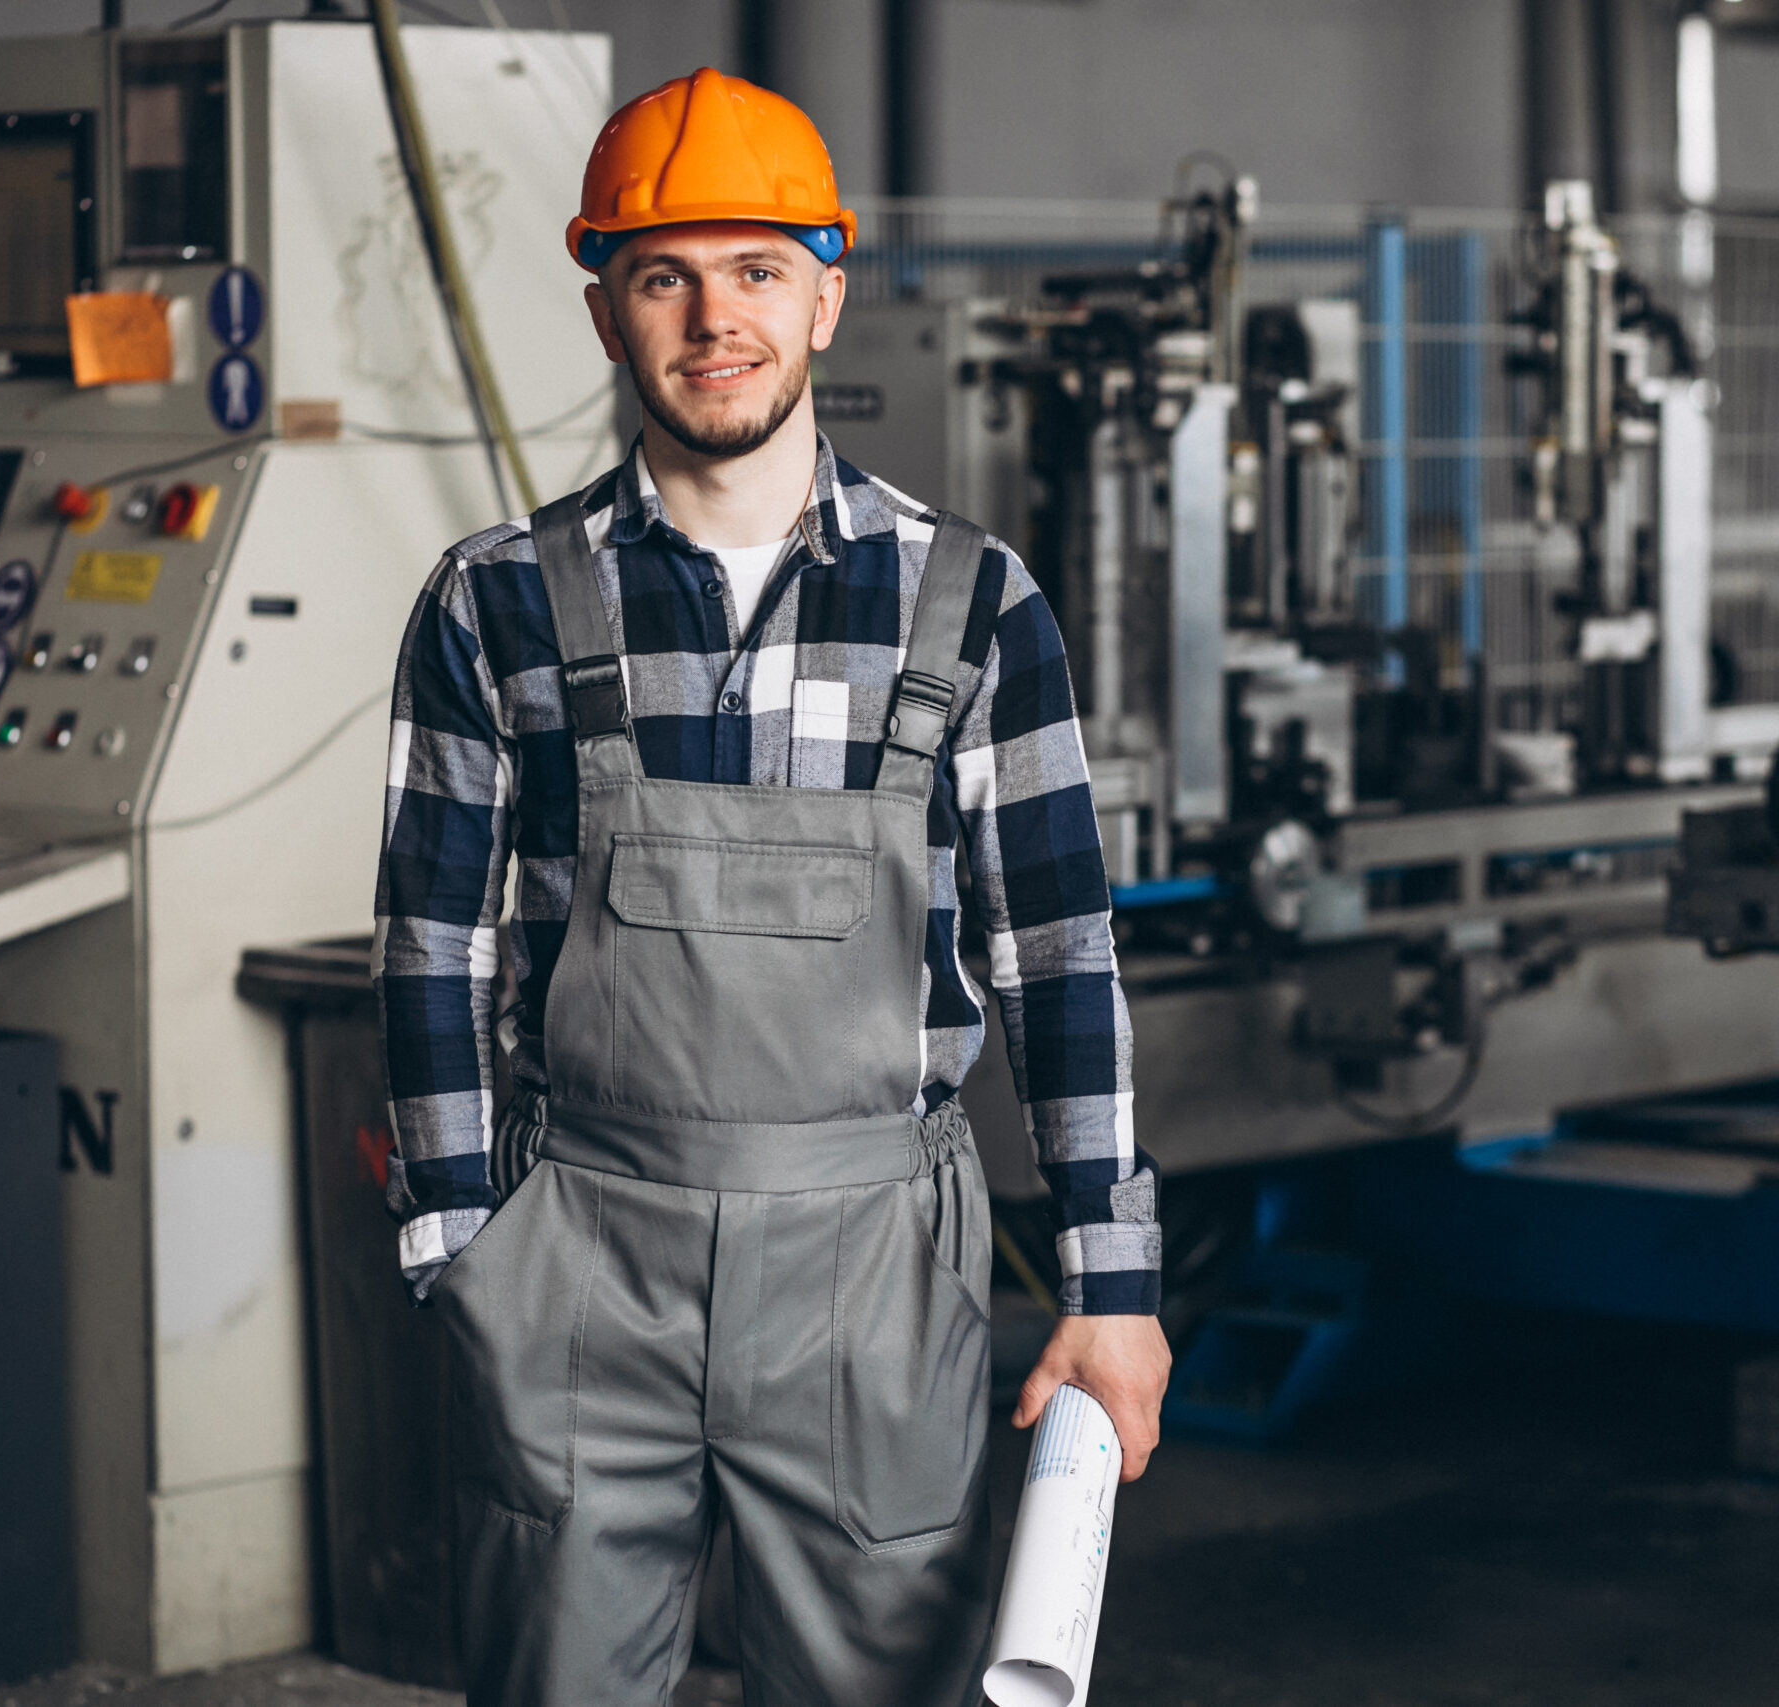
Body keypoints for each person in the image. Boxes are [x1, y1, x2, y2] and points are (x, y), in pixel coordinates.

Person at [370, 67, 1170, 1707]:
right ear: (607, 312)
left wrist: (1115, 1282)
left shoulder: (972, 606)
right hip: (579, 1251)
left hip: (874, 1260)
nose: (712, 317)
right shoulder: (494, 604)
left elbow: (1061, 963)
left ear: (827, 291)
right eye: (664, 275)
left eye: (753, 269)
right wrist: (464, 1249)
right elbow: (429, 948)